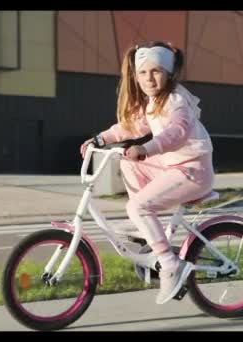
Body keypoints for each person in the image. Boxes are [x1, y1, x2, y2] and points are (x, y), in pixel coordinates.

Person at [79, 41, 214, 304]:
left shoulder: (176, 100)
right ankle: (145, 225)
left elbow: (178, 132)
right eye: (142, 72)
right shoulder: (153, 102)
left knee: (138, 206)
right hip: (174, 166)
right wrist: (98, 140)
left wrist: (147, 148)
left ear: (169, 73)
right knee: (128, 162)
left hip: (193, 170)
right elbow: (129, 127)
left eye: (156, 71)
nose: (149, 79)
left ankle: (169, 264)